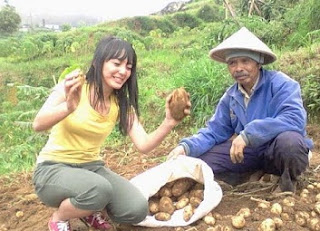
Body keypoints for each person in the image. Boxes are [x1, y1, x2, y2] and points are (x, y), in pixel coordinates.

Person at [32, 36, 190, 231]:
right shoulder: (74, 87)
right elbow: (38, 124)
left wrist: (169, 122)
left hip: (91, 169)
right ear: (98, 62)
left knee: (136, 209)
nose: (123, 71)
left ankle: (87, 210)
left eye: (129, 67)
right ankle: (60, 217)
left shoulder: (121, 104)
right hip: (52, 169)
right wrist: (69, 107)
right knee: (99, 189)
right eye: (116, 63)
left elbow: (144, 145)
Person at [167, 27, 313, 193]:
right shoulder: (230, 96)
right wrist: (186, 147)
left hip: (276, 149)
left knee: (290, 143)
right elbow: (214, 131)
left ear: (258, 63)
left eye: (245, 61)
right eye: (232, 63)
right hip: (249, 153)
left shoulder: (282, 84)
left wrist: (248, 135)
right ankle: (250, 176)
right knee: (200, 160)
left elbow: (294, 119)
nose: (238, 68)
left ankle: (287, 183)